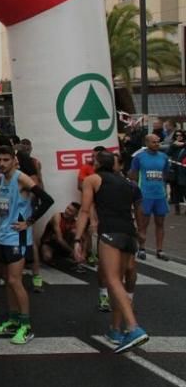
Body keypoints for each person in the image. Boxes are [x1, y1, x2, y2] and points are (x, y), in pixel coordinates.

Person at [76, 150, 150, 353]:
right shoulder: (128, 183)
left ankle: (133, 327)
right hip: (129, 234)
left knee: (112, 280)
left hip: (110, 232)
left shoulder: (92, 179)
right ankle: (115, 330)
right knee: (120, 282)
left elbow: (84, 210)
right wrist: (141, 233)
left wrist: (77, 239)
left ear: (98, 163)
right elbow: (139, 209)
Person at [0, 144, 54, 345]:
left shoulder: (21, 178)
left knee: (16, 281)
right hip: (3, 235)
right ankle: (12, 320)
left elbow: (46, 199)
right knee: (8, 280)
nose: (1, 164)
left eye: (5, 160)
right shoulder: (1, 179)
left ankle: (26, 326)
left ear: (14, 161)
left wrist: (30, 221)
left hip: (17, 237)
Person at [128, 134, 170, 260]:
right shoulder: (139, 157)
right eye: (154, 142)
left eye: (158, 142)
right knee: (143, 224)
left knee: (160, 223)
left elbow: (165, 174)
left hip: (160, 195)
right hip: (145, 195)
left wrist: (163, 188)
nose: (157, 144)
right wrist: (137, 190)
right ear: (147, 143)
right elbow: (133, 174)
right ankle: (142, 248)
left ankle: (160, 250)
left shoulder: (164, 157)